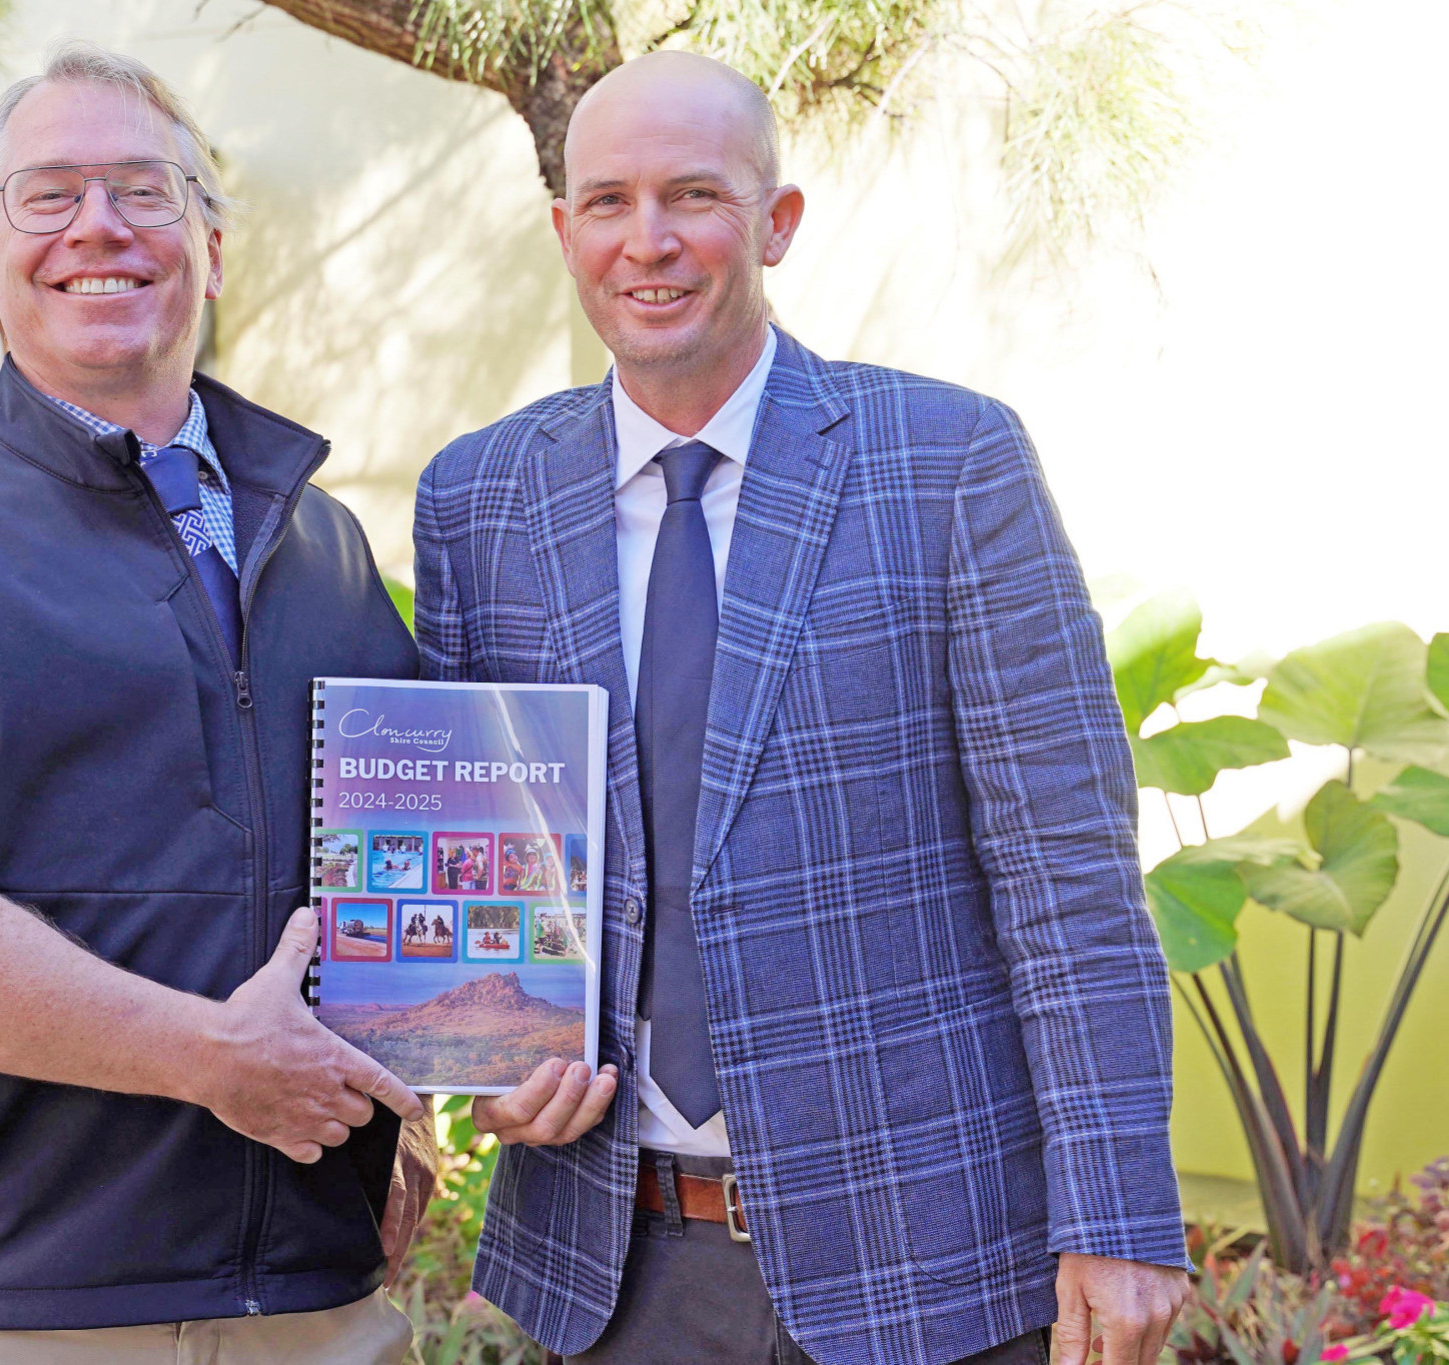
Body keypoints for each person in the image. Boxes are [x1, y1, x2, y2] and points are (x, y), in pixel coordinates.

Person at [413, 50, 1190, 1365]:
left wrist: (1120, 1213)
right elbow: (466, 844)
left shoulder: (948, 467)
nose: (646, 241)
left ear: (776, 224)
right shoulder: (478, 500)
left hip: (934, 1265)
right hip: (624, 1270)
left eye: (694, 196)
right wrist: (481, 1051)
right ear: (563, 232)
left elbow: (1069, 878)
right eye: (606, 203)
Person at [0, 42, 429, 1365]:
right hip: (2, 1307)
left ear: (214, 249)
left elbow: (408, 875)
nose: (101, 227)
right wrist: (212, 1055)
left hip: (313, 1298)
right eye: (47, 197)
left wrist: (464, 1071)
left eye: (145, 190)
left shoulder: (327, 545)